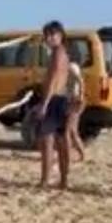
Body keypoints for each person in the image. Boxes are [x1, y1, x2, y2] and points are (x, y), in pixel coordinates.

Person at [34, 21, 71, 189]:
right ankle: (63, 180)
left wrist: (45, 103)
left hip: (55, 100)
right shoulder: (62, 53)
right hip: (62, 99)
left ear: (60, 35)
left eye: (52, 35)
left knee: (48, 142)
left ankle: (45, 180)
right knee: (62, 142)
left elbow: (54, 79)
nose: (48, 39)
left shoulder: (58, 53)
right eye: (46, 36)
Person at [64, 52, 86, 162]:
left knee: (68, 131)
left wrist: (81, 95)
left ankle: (70, 155)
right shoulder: (70, 67)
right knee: (72, 131)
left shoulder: (71, 67)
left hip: (75, 100)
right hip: (72, 100)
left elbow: (80, 80)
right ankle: (81, 154)